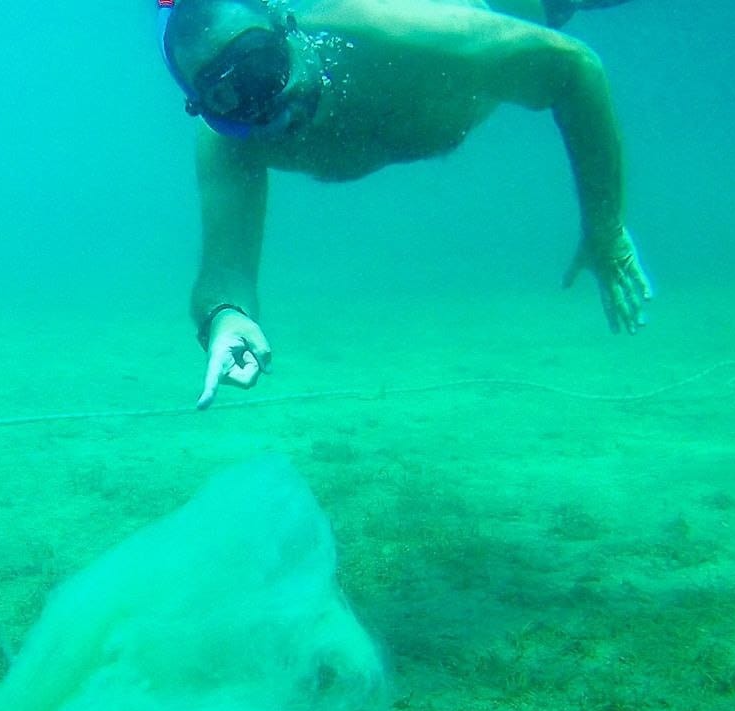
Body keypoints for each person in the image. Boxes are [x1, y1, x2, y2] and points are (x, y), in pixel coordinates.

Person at [155, 0, 654, 408]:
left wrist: (606, 230)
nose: (269, 107)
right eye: (228, 100)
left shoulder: (388, 31)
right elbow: (224, 272)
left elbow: (574, 68)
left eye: (263, 67)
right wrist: (226, 316)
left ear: (286, 22)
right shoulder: (234, 143)